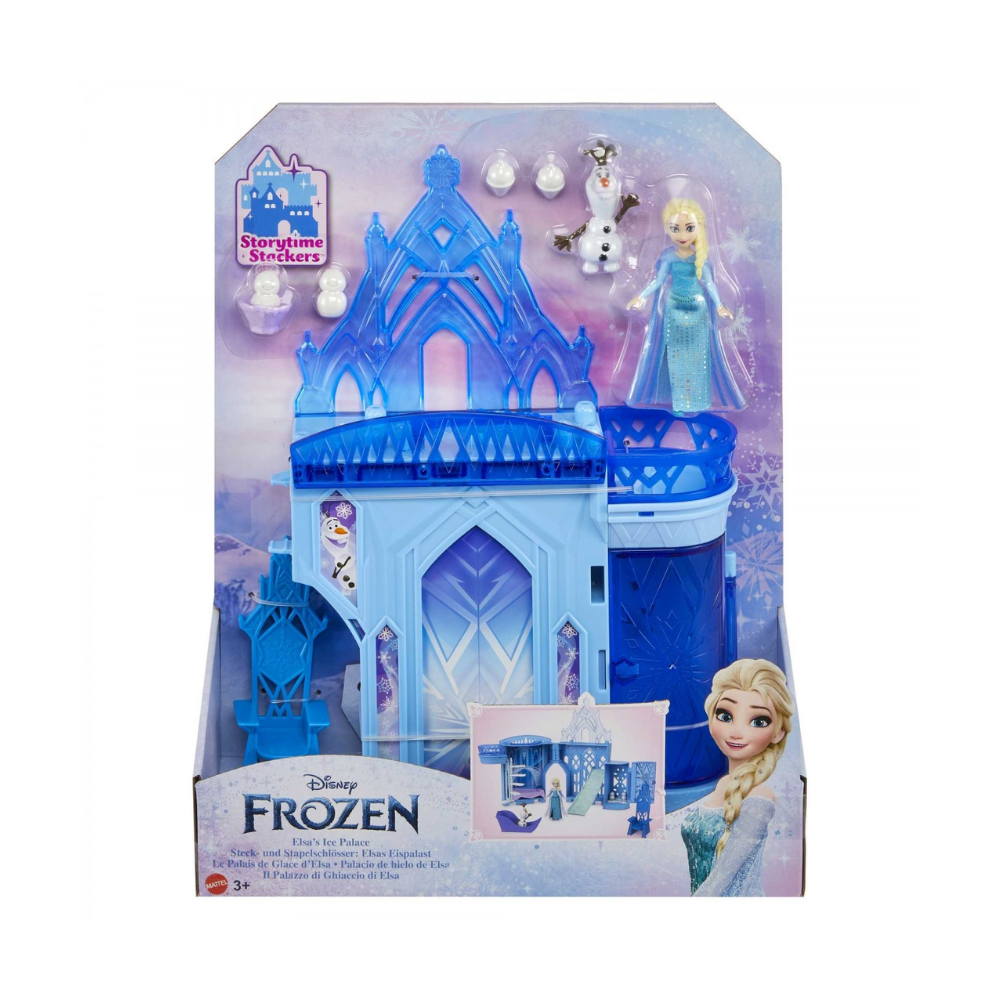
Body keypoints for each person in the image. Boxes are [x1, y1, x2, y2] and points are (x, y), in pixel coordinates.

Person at [680, 658, 793, 896]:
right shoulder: (723, 784)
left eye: (759, 721)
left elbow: (721, 878)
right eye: (725, 716)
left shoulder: (759, 799)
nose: (736, 732)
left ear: (778, 733)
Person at [627, 198, 745, 412]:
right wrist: (641, 296)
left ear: (699, 228)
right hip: (673, 308)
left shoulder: (701, 257)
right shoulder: (668, 256)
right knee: (675, 355)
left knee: (697, 357)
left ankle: (697, 401)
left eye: (689, 228)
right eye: (675, 229)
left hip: (698, 310)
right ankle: (678, 401)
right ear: (667, 229)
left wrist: (720, 305)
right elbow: (658, 281)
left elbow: (709, 283)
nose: (682, 235)